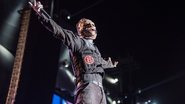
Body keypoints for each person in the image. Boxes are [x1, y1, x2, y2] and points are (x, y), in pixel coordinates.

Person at [29, 0, 118, 104]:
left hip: (100, 91)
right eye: (88, 25)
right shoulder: (77, 41)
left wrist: (112, 63)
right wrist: (41, 13)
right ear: (81, 30)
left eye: (93, 25)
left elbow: (101, 62)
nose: (92, 27)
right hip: (88, 87)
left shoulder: (95, 49)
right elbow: (59, 31)